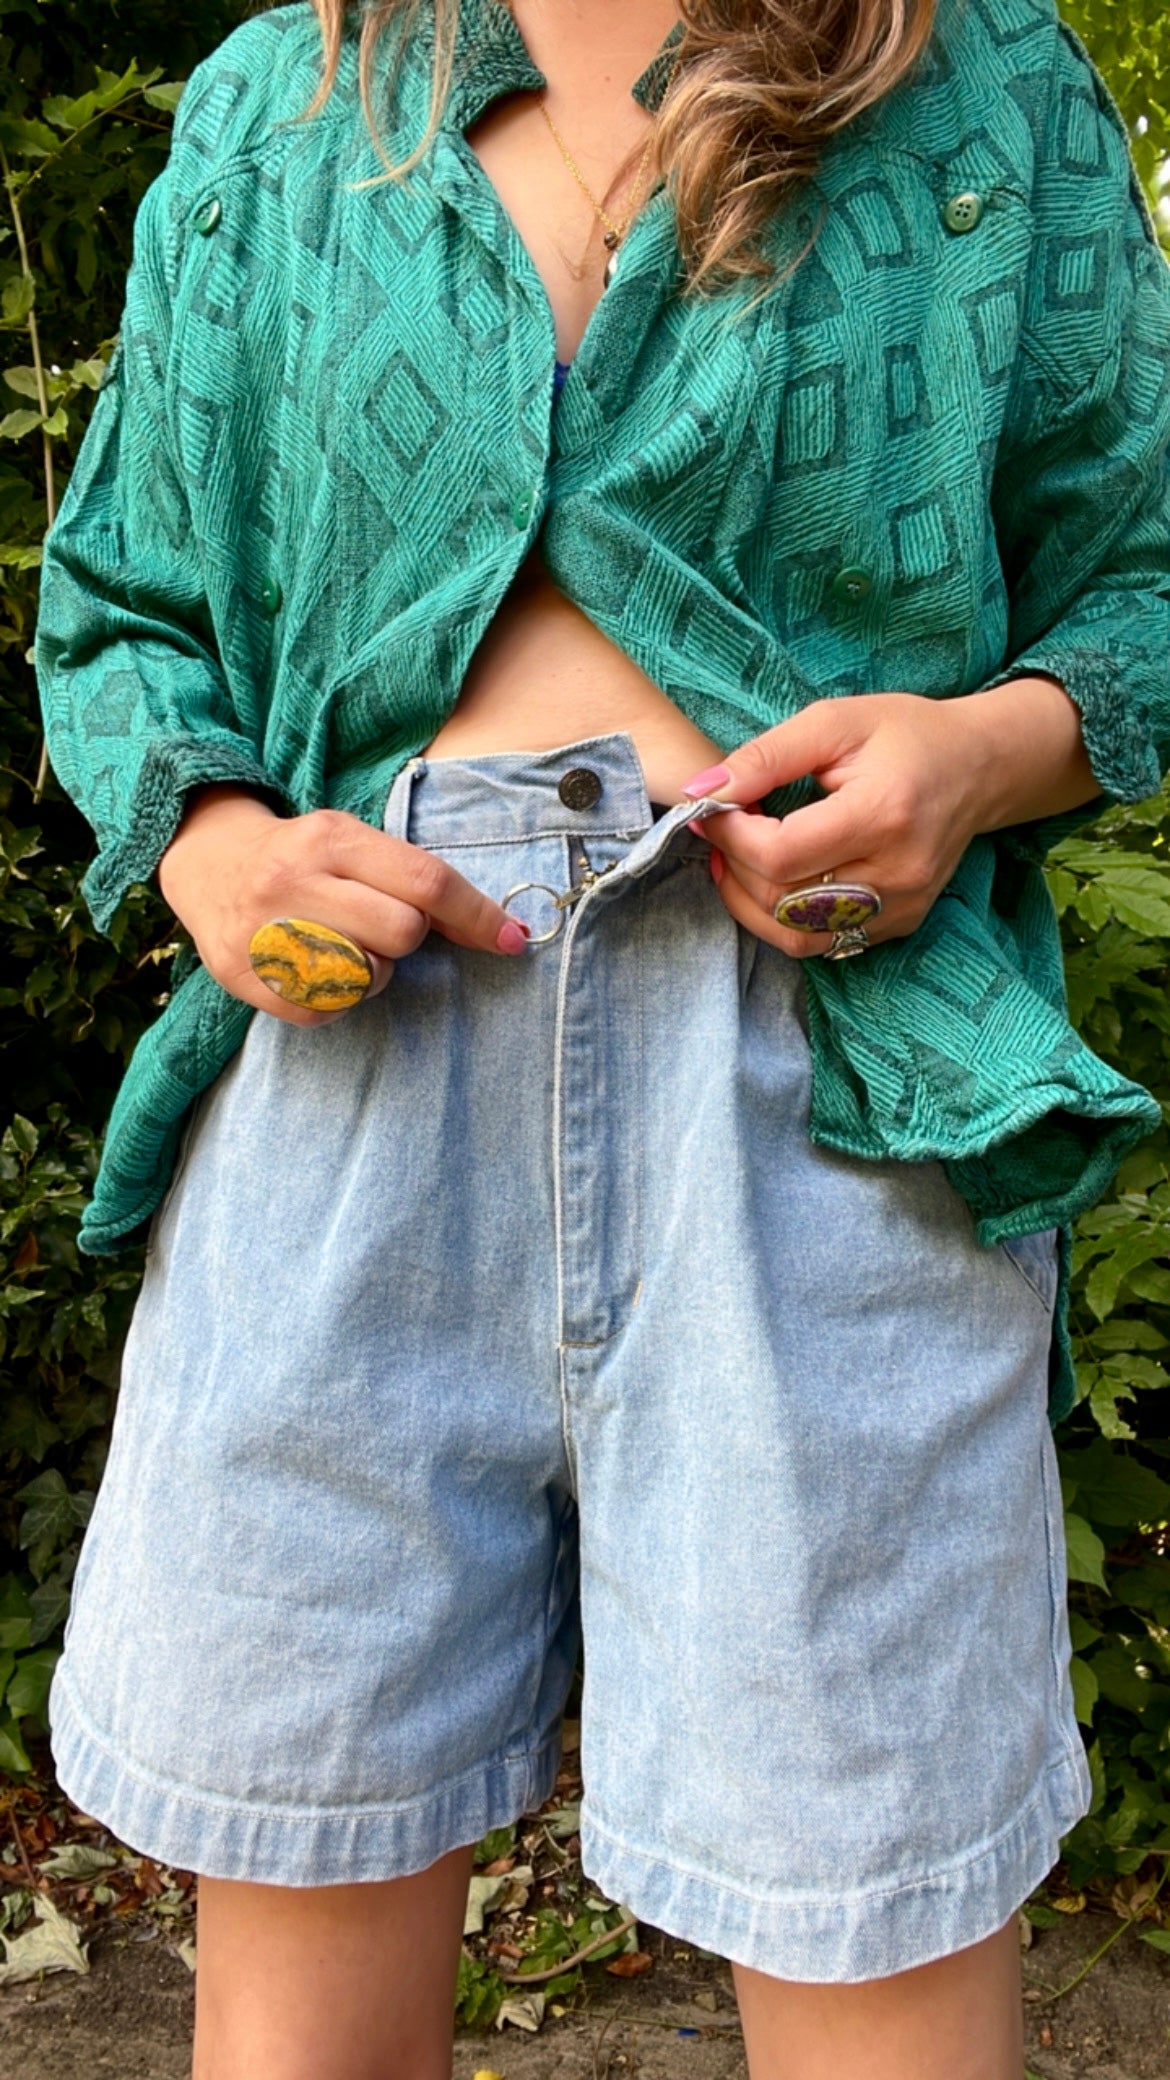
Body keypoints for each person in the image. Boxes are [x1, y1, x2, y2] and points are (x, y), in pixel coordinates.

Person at [34, 0, 1170, 2072]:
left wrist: (977, 759)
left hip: (829, 1098)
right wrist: (215, 853)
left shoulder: (987, 87)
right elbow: (120, 607)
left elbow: (1143, 580)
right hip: (349, 1084)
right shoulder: (285, 101)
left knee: (884, 1991)